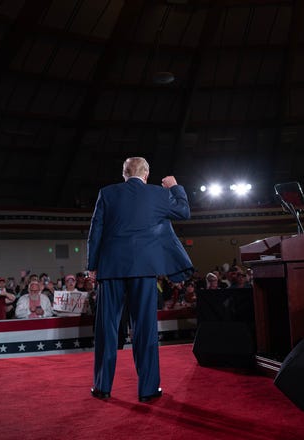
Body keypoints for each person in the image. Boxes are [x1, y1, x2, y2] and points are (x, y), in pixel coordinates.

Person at [87, 157, 193, 402]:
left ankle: (102, 387)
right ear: (146, 175)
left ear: (124, 174)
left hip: (110, 268)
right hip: (144, 268)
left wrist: (92, 266)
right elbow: (184, 212)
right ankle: (147, 390)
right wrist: (175, 187)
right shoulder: (158, 194)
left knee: (107, 329)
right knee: (144, 329)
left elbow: (96, 231)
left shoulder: (107, 193)